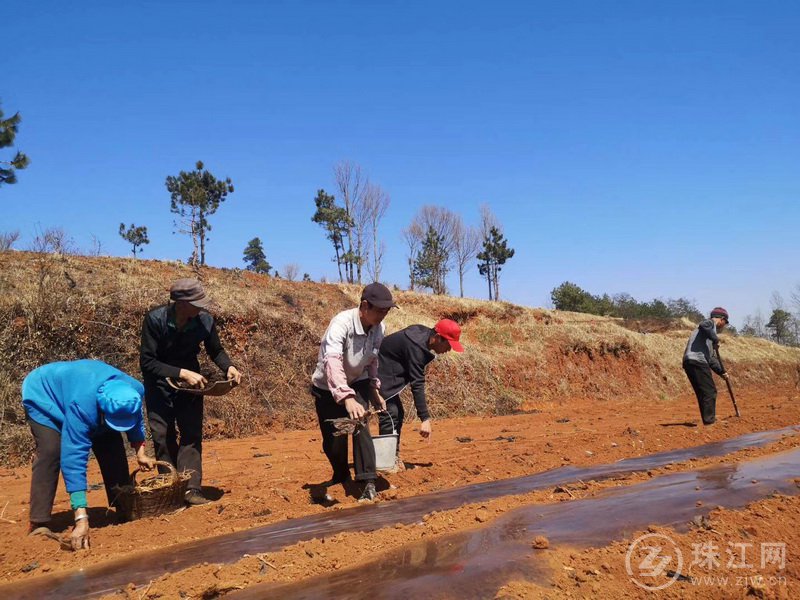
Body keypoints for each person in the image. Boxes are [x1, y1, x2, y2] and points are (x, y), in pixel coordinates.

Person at [21, 359, 155, 550]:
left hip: (79, 391)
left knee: (110, 440)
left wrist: (141, 451)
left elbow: (135, 419)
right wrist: (81, 517)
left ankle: (122, 505)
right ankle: (39, 522)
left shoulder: (134, 390)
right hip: (44, 396)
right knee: (52, 450)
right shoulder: (82, 406)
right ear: (102, 409)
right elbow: (73, 458)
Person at [140, 278, 242, 505]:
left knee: (191, 434)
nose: (201, 307)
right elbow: (147, 362)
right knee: (162, 435)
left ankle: (191, 489)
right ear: (180, 302)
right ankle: (171, 488)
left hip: (191, 385)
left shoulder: (204, 320)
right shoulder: (155, 320)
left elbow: (215, 350)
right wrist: (180, 372)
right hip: (159, 383)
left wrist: (229, 366)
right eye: (196, 302)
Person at [310, 282, 394, 502]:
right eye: (380, 311)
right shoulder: (341, 324)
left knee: (360, 423)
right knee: (333, 439)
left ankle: (367, 481)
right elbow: (332, 361)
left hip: (358, 382)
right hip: (327, 386)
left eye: (387, 311)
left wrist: (374, 390)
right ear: (365, 306)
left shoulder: (379, 328)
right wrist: (345, 397)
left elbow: (372, 360)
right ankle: (341, 474)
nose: (383, 316)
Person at [377, 319, 464, 469]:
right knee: (391, 413)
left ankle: (392, 457)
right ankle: (385, 463)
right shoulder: (416, 348)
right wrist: (424, 419)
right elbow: (417, 383)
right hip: (377, 372)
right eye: (448, 344)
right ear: (437, 337)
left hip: (386, 371)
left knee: (397, 412)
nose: (449, 349)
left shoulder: (421, 333)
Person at [683, 307, 731, 425]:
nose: (724, 325)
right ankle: (710, 421)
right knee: (710, 391)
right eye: (725, 322)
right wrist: (715, 338)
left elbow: (710, 359)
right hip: (697, 360)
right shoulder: (709, 324)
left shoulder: (708, 335)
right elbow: (703, 325)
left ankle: (707, 419)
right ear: (722, 319)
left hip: (690, 362)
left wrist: (722, 372)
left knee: (703, 392)